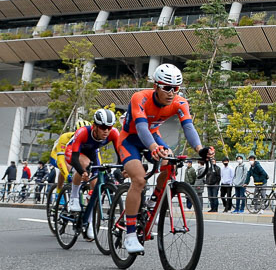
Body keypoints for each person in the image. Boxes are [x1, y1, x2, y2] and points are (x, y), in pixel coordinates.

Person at [115, 64, 212, 254]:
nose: (171, 93)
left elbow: (189, 127)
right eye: (167, 88)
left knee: (169, 163)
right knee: (139, 179)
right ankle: (131, 234)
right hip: (130, 140)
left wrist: (200, 149)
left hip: (153, 136)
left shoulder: (180, 102)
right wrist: (153, 148)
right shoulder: (139, 98)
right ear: (156, 87)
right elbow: (141, 127)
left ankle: (152, 203)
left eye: (176, 89)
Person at [63, 109, 119, 241]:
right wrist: (83, 172)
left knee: (96, 188)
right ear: (94, 126)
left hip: (92, 152)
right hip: (73, 152)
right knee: (85, 165)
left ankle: (89, 222)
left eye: (109, 127)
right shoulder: (83, 132)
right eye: (103, 127)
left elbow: (120, 155)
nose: (106, 131)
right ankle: (74, 196)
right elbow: (76, 159)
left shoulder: (114, 133)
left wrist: (120, 171)